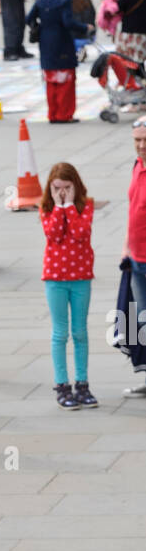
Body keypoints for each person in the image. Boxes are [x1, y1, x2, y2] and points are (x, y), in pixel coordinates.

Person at [39, 164, 97, 409]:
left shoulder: (86, 205)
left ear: (76, 186)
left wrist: (71, 206)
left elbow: (81, 233)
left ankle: (82, 383)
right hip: (55, 279)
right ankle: (62, 385)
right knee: (60, 333)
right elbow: (53, 234)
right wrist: (59, 207)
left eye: (67, 188)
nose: (62, 192)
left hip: (81, 277)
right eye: (57, 188)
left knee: (80, 332)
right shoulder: (46, 208)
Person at [26, 0, 93, 123]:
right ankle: (64, 114)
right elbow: (67, 22)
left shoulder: (41, 0)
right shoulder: (65, 0)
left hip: (45, 42)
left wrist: (37, 28)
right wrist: (84, 27)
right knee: (66, 80)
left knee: (51, 80)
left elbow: (29, 18)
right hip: (62, 43)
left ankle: (53, 114)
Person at [120, 118, 146, 397]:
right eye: (137, 140)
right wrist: (126, 246)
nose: (140, 146)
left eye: (145, 141)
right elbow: (133, 210)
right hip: (137, 259)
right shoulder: (137, 166)